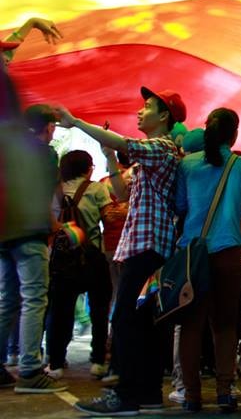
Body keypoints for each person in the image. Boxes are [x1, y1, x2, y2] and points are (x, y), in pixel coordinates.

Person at [62, 87, 186, 415]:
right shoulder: (152, 156)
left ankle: (126, 396)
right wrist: (107, 156)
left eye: (147, 107)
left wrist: (75, 122)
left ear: (164, 117)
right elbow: (122, 194)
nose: (140, 112)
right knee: (142, 322)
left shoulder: (161, 147)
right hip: (145, 245)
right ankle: (148, 395)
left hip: (148, 247)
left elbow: (124, 143)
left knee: (126, 319)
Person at [174, 108, 241, 412]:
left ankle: (192, 395)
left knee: (191, 326)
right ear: (234, 135)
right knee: (224, 325)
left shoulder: (186, 165)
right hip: (228, 252)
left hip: (192, 254)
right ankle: (225, 391)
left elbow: (181, 205)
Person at [0, 103, 64, 393]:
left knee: (8, 299)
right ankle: (29, 370)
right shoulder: (45, 154)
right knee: (34, 298)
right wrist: (56, 224)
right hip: (30, 232)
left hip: (5, 234)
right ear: (48, 127)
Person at [45, 151, 113, 380]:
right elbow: (109, 219)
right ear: (87, 168)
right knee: (99, 309)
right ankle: (97, 361)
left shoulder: (55, 190)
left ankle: (55, 362)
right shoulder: (96, 189)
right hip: (92, 256)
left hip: (62, 259)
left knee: (60, 310)